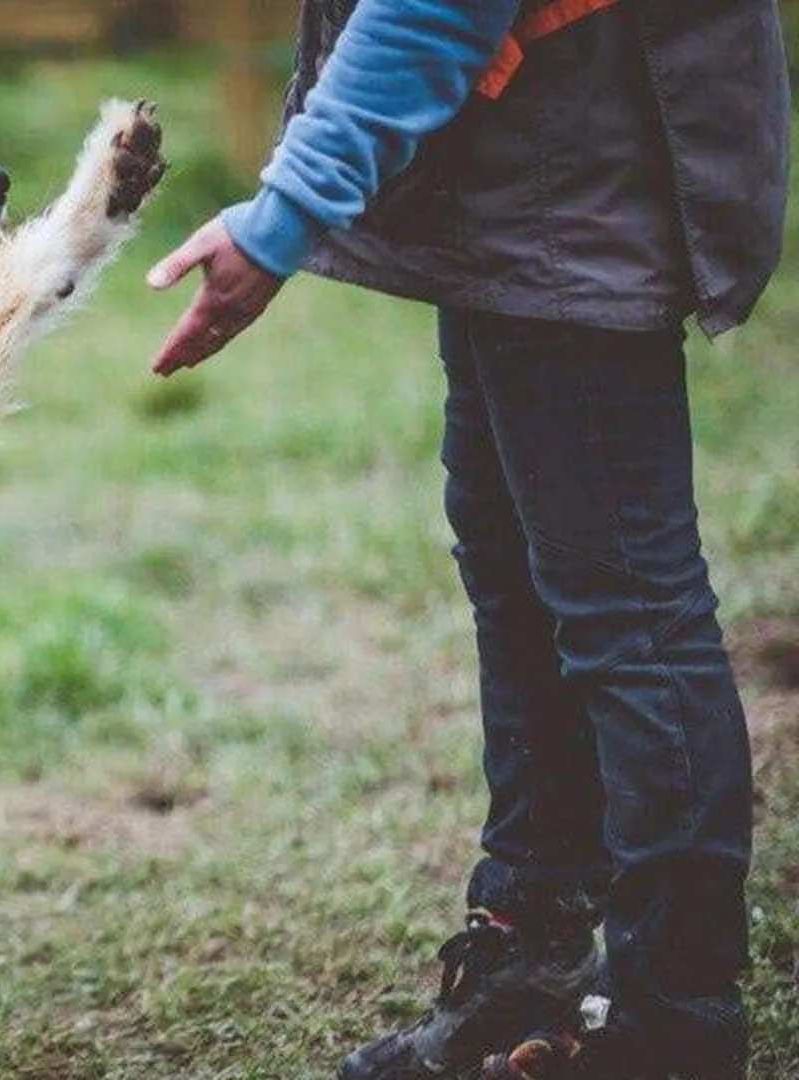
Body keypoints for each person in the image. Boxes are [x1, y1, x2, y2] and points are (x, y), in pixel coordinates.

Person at [144, 2, 789, 1079]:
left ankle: (673, 1025)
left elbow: (434, 10)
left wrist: (284, 214)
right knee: (524, 588)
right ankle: (524, 970)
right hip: (519, 183)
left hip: (574, 184)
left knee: (631, 618)